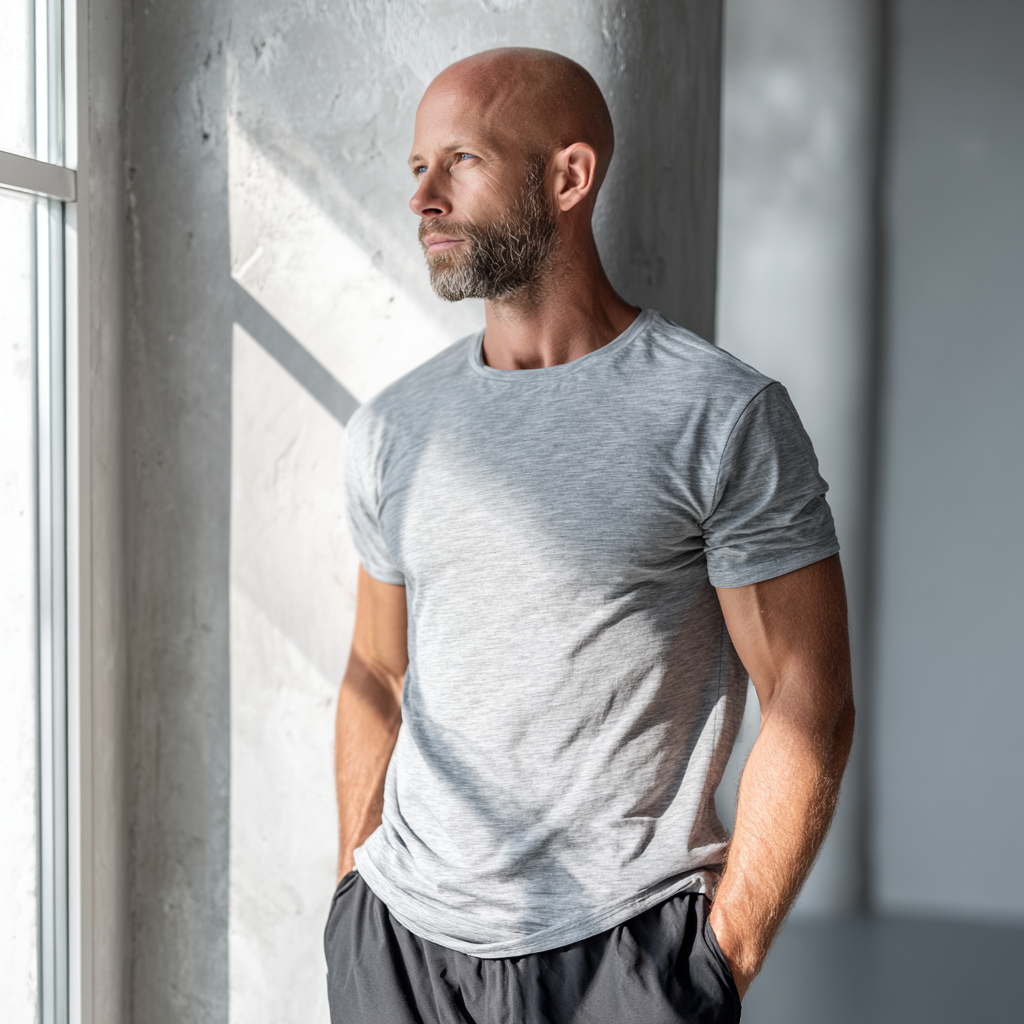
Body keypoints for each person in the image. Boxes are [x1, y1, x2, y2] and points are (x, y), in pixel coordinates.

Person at [326, 46, 854, 1024]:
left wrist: (720, 952)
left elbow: (807, 696)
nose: (423, 200)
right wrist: (353, 884)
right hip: (397, 947)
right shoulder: (395, 428)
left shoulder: (717, 414)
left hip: (618, 956)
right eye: (415, 170)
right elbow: (375, 670)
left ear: (567, 177)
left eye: (461, 162)